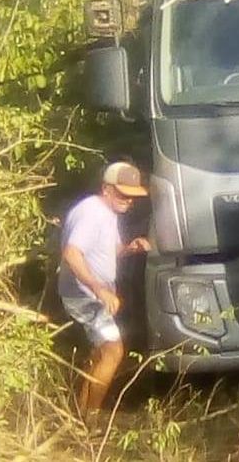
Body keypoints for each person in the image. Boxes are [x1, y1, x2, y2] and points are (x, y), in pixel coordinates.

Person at [57, 161, 151, 420]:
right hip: (85, 296)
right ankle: (93, 419)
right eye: (123, 194)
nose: (128, 201)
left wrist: (131, 248)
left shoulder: (107, 213)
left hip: (94, 294)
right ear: (106, 189)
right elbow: (72, 253)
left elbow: (109, 251)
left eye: (132, 196)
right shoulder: (92, 213)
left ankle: (80, 413)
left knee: (99, 353)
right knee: (113, 350)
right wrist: (99, 290)